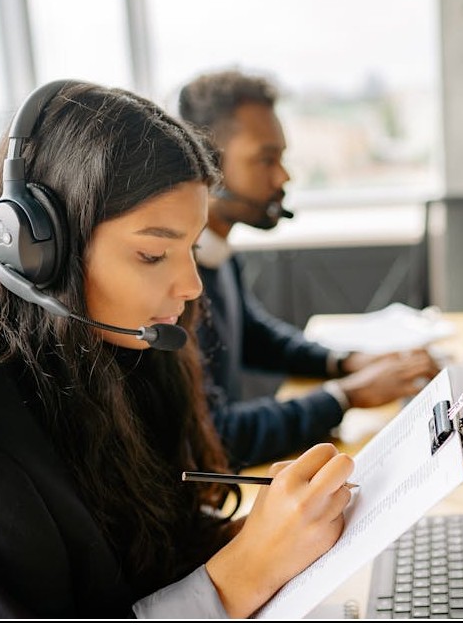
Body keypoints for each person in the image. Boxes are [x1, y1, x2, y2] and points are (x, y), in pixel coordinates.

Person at [0, 80, 354, 619]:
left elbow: (136, 569)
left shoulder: (107, 351)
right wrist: (242, 575)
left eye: (191, 246)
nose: (192, 284)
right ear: (42, 251)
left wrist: (272, 534)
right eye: (153, 254)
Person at [177, 69, 440, 468]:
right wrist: (345, 395)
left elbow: (254, 335)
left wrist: (346, 362)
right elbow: (215, 435)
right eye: (266, 159)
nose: (283, 176)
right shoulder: (177, 285)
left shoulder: (216, 252)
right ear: (207, 164)